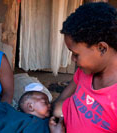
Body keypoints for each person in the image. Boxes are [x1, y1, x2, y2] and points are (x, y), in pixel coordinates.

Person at [51, 2, 117, 133]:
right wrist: (59, 111)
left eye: (76, 54)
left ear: (102, 48)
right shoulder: (85, 72)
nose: (73, 59)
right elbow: (62, 99)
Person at [0, 91, 64, 133]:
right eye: (45, 102)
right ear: (30, 106)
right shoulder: (16, 118)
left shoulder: (40, 122)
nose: (50, 105)